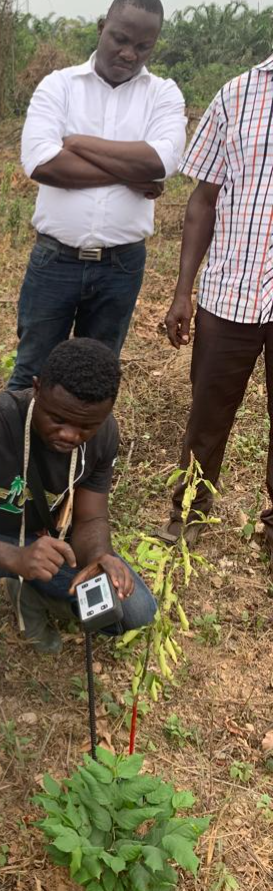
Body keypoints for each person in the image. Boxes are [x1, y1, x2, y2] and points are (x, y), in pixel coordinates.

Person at [0, 339, 157, 735]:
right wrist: (13, 558)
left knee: (136, 609)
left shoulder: (103, 434)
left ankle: (33, 594)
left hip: (43, 540)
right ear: (37, 388)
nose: (71, 434)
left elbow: (92, 516)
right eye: (58, 418)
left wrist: (100, 555)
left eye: (86, 426)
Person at [8, 0, 186, 391]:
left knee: (97, 380)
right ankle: (21, 436)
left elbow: (161, 161)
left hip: (121, 266)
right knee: (32, 372)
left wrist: (76, 142)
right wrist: (130, 173)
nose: (129, 54)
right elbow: (42, 162)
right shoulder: (59, 86)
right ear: (102, 27)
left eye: (143, 46)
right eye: (120, 39)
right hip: (55, 260)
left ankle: (83, 440)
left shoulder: (163, 94)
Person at [160, 53, 273, 551]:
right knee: (208, 414)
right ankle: (190, 509)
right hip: (231, 292)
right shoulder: (237, 94)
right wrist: (183, 291)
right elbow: (203, 199)